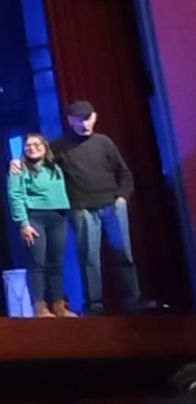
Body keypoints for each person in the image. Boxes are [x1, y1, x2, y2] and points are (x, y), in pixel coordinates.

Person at [51, 100, 147, 314]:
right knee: (89, 260)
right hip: (82, 208)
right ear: (70, 121)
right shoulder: (59, 147)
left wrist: (122, 197)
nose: (84, 124)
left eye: (87, 119)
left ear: (94, 117)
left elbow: (124, 173)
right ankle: (94, 307)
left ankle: (133, 302)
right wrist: (18, 163)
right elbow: (39, 164)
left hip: (112, 206)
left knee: (124, 255)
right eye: (79, 120)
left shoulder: (104, 142)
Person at [7, 133, 75, 317]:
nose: (32, 148)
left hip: (58, 217)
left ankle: (59, 305)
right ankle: (40, 307)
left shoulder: (55, 167)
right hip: (35, 218)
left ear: (45, 147)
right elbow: (15, 196)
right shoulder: (19, 169)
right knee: (38, 264)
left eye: (37, 144)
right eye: (28, 145)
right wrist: (23, 223)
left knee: (56, 263)